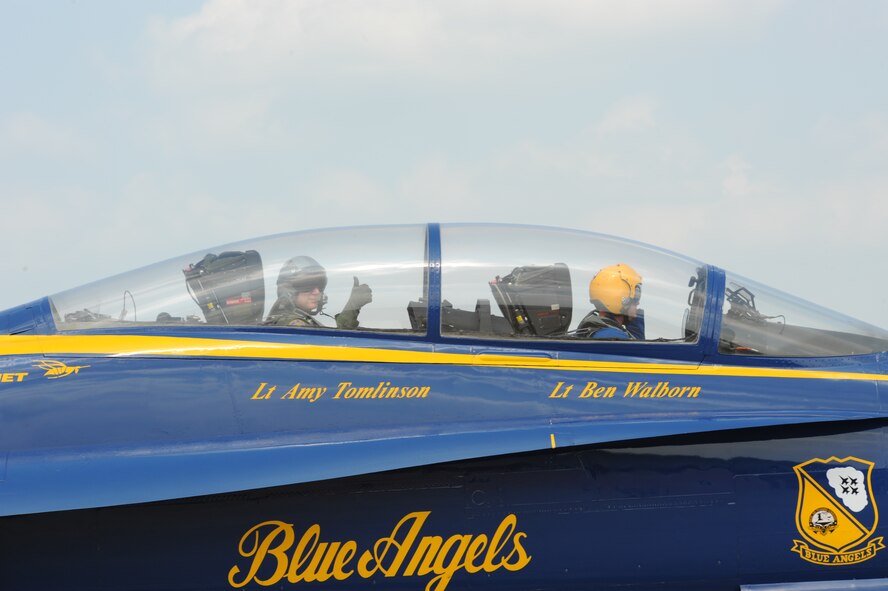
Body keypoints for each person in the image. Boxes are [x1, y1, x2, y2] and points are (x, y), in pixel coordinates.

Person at [265, 256, 372, 329]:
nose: (316, 292)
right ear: (289, 290)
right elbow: (333, 352)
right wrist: (352, 306)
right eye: (308, 285)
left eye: (320, 285)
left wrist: (352, 308)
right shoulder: (293, 325)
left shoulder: (293, 320)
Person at [577, 263, 645, 340]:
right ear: (623, 300)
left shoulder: (598, 328)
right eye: (636, 297)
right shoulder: (614, 339)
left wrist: (635, 322)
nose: (638, 303)